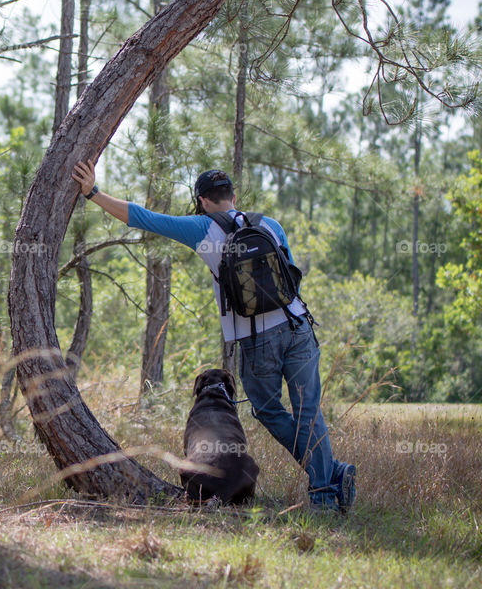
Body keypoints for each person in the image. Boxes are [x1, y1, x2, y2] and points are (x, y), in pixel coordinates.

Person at [71, 160, 356, 512]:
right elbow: (293, 277)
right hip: (298, 326)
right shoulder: (270, 224)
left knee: (268, 410)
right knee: (309, 412)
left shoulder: (202, 228)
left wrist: (93, 193)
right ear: (234, 197)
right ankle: (328, 487)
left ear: (202, 201)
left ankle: (327, 480)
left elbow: (142, 217)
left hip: (257, 339)